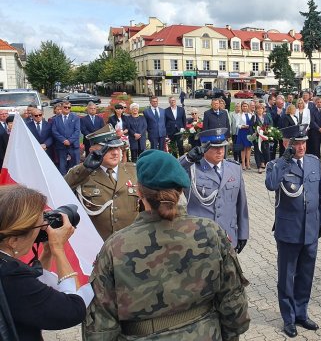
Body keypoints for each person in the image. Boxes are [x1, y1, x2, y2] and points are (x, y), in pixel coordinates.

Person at [84, 149, 250, 339]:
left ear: (139, 192)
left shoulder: (115, 246)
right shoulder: (211, 231)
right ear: (181, 190)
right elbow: (233, 302)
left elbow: (100, 326)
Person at [0, 184, 93, 340]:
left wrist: (48, 251)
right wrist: (58, 249)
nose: (44, 227)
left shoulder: (9, 270)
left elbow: (34, 292)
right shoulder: (11, 276)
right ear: (14, 240)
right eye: (39, 224)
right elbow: (72, 310)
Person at [265, 124, 321, 338]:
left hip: (311, 230)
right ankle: (288, 318)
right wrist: (284, 159)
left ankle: (301, 313)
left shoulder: (313, 162)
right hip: (288, 231)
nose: (301, 146)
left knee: (306, 275)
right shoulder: (277, 164)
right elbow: (271, 184)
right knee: (286, 277)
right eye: (296, 142)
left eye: (303, 142)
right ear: (286, 143)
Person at [179, 128, 249, 252]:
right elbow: (168, 174)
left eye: (222, 147)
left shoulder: (234, 168)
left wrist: (243, 234)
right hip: (199, 237)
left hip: (227, 235)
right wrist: (187, 159)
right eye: (215, 148)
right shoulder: (192, 169)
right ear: (204, 148)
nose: (220, 151)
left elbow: (241, 205)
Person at [65, 125, 139, 240]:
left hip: (131, 241)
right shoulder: (82, 173)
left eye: (118, 148)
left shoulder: (134, 170)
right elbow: (62, 188)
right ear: (92, 150)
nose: (115, 153)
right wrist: (85, 168)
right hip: (97, 242)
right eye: (108, 149)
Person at [51, 102, 81, 175]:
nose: (67, 109)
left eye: (69, 107)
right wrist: (63, 140)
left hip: (73, 146)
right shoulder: (56, 119)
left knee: (75, 166)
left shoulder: (75, 117)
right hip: (61, 146)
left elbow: (77, 131)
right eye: (65, 107)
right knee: (62, 166)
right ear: (61, 108)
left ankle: (75, 183)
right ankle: (64, 183)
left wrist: (69, 141)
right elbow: (54, 131)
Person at [252, 103, 272, 173]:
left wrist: (268, 131)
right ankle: (259, 166)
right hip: (257, 137)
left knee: (266, 150)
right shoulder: (254, 117)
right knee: (258, 151)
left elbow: (269, 124)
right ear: (256, 110)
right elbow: (251, 127)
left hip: (265, 136)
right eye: (258, 108)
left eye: (261, 108)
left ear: (263, 109)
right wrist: (254, 134)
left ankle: (267, 165)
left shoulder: (266, 116)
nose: (260, 110)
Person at [236, 101, 253, 170]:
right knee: (243, 149)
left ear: (248, 107)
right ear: (241, 107)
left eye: (246, 106)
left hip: (249, 132)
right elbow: (237, 125)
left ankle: (248, 163)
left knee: (248, 148)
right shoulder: (239, 115)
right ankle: (243, 163)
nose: (245, 107)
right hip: (242, 132)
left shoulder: (250, 114)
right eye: (243, 106)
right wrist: (242, 126)